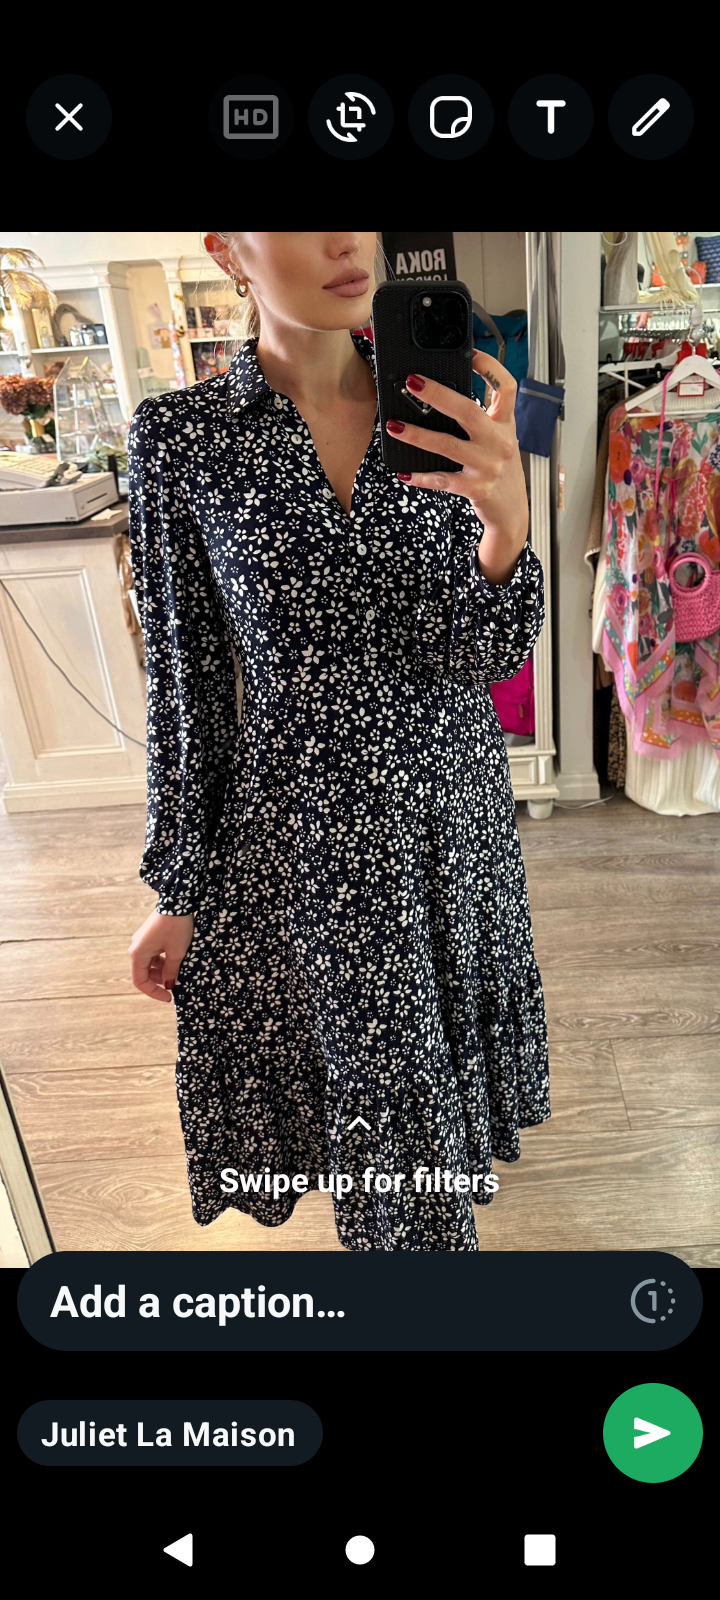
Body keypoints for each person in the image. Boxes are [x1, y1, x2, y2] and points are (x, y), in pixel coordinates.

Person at [127, 231, 550, 1252]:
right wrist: (178, 885)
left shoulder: (442, 407)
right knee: (384, 1126)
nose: (344, 240)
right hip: (308, 840)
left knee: (424, 1113)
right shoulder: (182, 438)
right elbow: (187, 685)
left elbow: (482, 655)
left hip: (450, 823)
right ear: (227, 249)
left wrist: (507, 531)